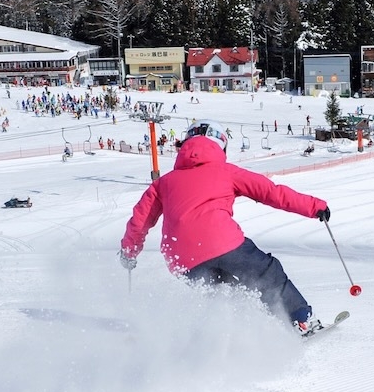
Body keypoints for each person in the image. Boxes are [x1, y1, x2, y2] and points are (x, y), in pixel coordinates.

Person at [119, 120, 330, 335]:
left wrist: (129, 251)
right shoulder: (227, 171)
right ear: (221, 146)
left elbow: (140, 220)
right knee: (267, 274)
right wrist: (316, 207)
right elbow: (272, 193)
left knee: (223, 293)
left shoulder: (163, 182)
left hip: (181, 259)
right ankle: (300, 321)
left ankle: (230, 337)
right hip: (224, 243)